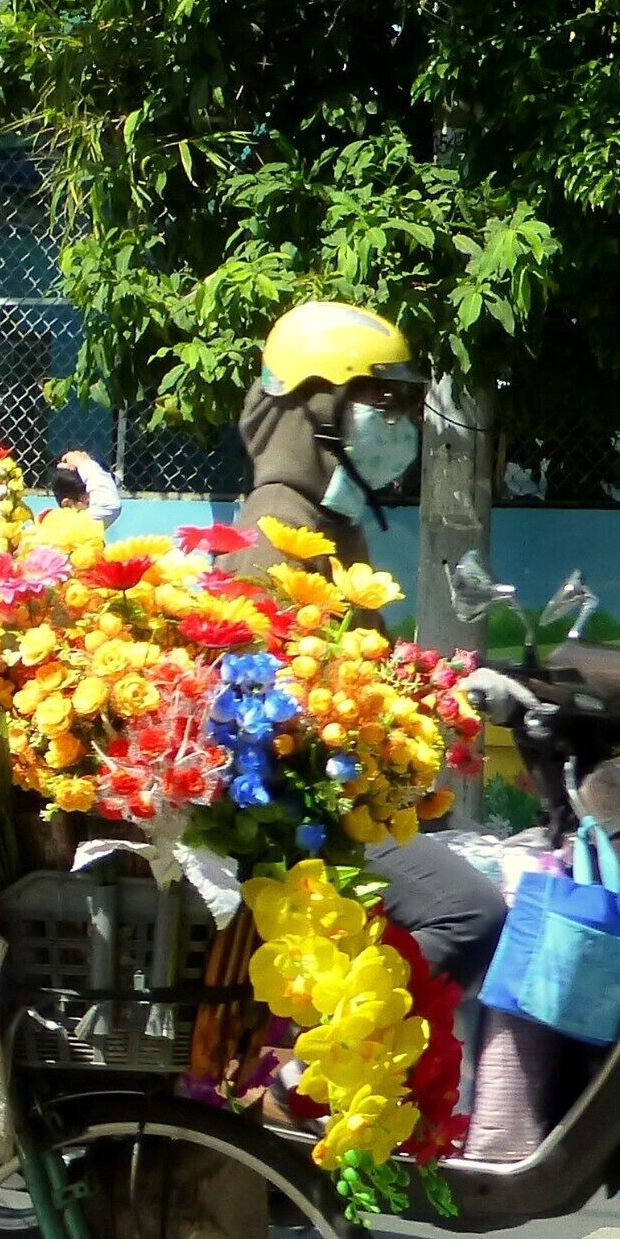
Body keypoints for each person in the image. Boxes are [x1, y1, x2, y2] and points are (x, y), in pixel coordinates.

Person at [225, 300, 508, 991]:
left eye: (405, 403)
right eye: (380, 400)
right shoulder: (275, 533)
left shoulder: (332, 526)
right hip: (305, 818)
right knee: (470, 912)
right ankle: (340, 1036)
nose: (400, 421)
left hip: (352, 799)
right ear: (316, 409)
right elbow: (278, 713)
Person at [50, 448, 123, 526]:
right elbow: (109, 506)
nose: (95, 509)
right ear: (68, 505)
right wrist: (84, 464)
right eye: (89, 504)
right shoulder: (69, 528)